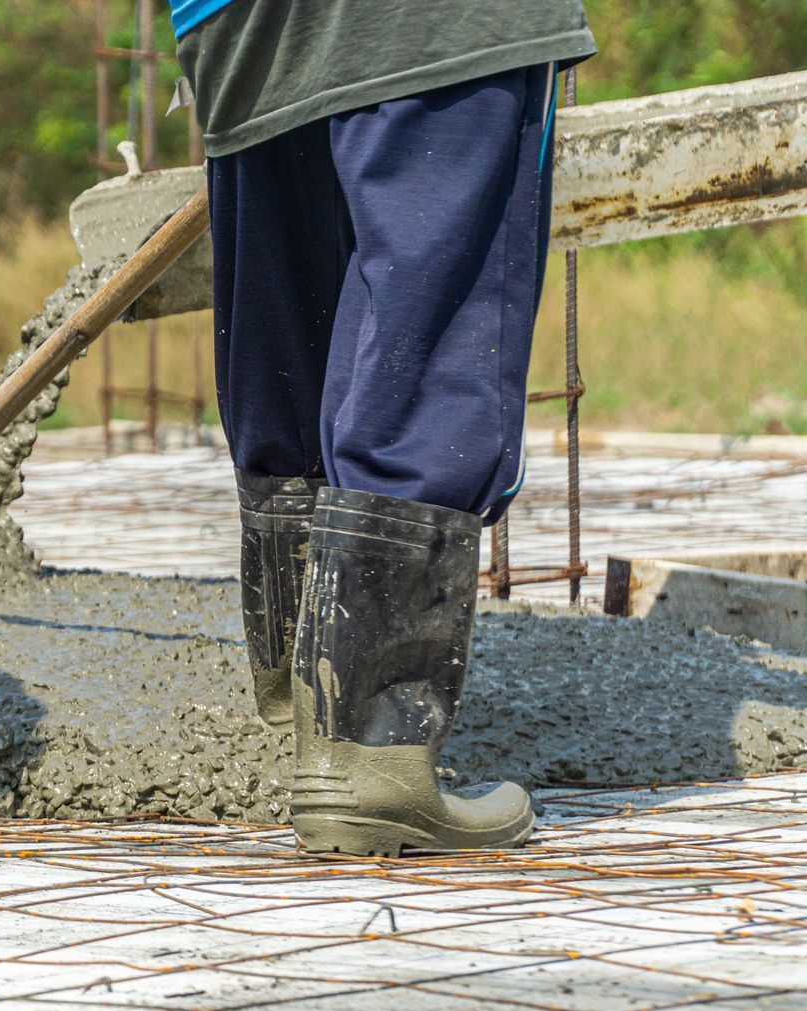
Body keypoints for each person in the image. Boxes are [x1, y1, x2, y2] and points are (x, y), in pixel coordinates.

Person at [170, 1, 596, 855]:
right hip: (421, 27)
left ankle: (308, 734)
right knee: (428, 352)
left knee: (292, 351)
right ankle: (370, 749)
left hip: (236, 28)